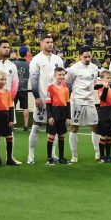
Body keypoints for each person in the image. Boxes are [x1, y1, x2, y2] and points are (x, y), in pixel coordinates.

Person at [27, 34, 65, 165]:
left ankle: (53, 154)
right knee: (36, 125)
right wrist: (36, 96)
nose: (50, 44)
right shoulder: (36, 60)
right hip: (42, 98)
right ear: (41, 43)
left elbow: (61, 80)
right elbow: (33, 79)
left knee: (55, 127)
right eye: (47, 42)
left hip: (56, 101)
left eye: (51, 42)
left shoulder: (58, 60)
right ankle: (31, 154)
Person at [66, 46, 101, 163]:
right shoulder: (73, 69)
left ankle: (98, 153)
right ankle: (74, 155)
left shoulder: (95, 68)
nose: (87, 59)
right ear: (80, 56)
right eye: (85, 57)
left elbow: (94, 82)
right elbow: (68, 84)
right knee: (74, 127)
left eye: (89, 56)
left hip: (90, 101)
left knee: (95, 126)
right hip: (77, 101)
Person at [46, 69, 71, 166]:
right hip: (54, 115)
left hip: (63, 115)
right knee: (51, 136)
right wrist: (49, 117)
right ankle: (49, 158)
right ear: (55, 75)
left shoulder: (66, 89)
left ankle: (61, 158)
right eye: (59, 74)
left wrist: (68, 117)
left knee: (61, 136)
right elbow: (48, 104)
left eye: (63, 75)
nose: (61, 76)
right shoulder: (50, 88)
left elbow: (68, 104)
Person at [95, 70, 111, 163]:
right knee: (103, 136)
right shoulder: (100, 90)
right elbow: (103, 98)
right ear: (102, 80)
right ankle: (102, 157)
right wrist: (105, 88)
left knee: (109, 136)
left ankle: (108, 156)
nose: (109, 79)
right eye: (107, 78)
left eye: (110, 78)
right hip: (104, 116)